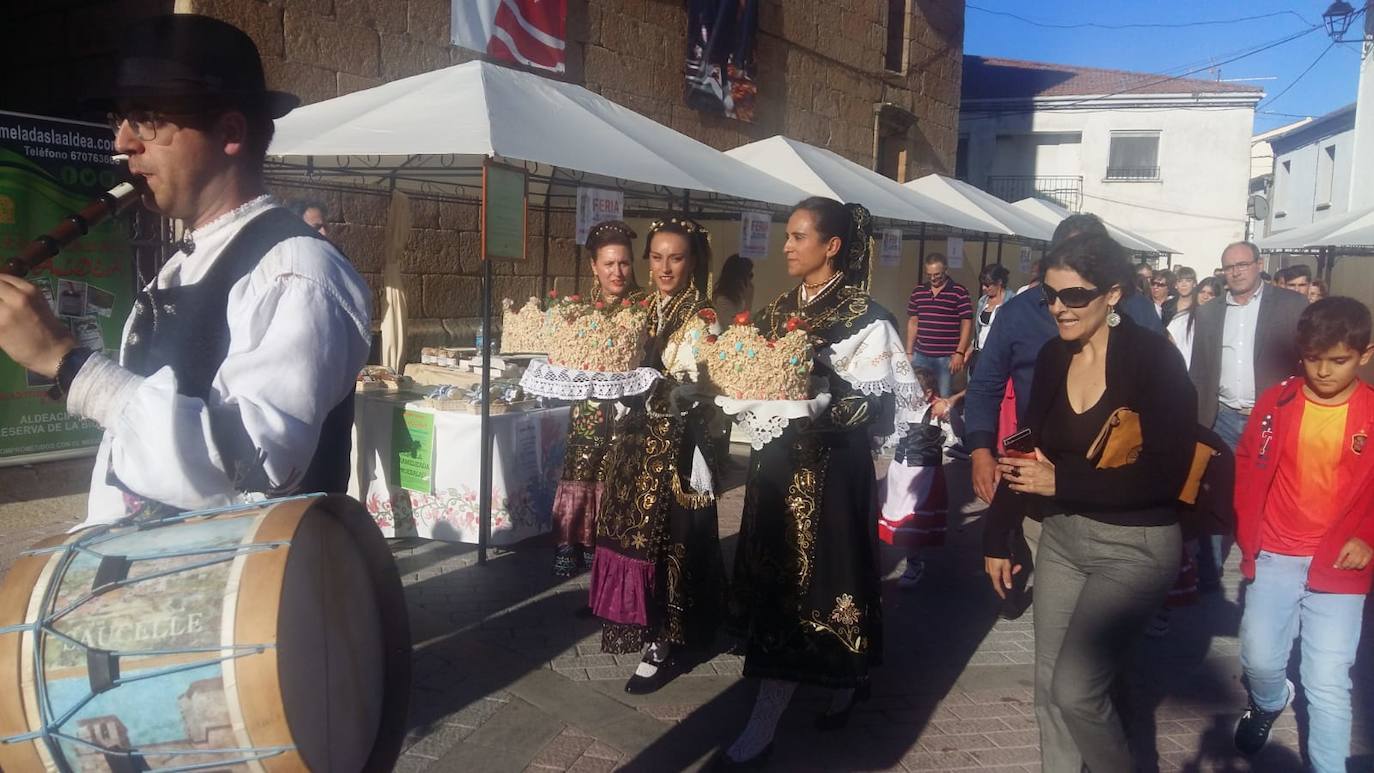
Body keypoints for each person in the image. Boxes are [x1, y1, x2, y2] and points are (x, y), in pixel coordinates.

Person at [0, 15, 369, 525]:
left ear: (231, 132)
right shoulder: (187, 260)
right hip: (160, 582)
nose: (123, 142)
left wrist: (69, 363)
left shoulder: (298, 270)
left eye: (148, 118)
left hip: (240, 597)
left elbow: (253, 465)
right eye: (119, 119)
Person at [982, 233, 1198, 773]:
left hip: (1135, 547)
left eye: (1075, 296)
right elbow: (1028, 445)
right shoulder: (1054, 356)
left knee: (1077, 690)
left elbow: (1168, 473)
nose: (1059, 307)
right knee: (1049, 693)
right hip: (1062, 540)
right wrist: (998, 531)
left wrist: (1066, 482)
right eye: (1050, 296)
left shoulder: (1154, 361)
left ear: (1113, 294)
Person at [722, 197, 915, 767]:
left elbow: (879, 409)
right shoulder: (777, 308)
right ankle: (789, 691)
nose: (786, 245)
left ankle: (820, 686)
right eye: (788, 235)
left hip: (830, 474)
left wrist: (821, 395)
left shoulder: (865, 317)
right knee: (777, 580)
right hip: (776, 469)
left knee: (827, 578)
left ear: (831, 246)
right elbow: (749, 374)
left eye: (799, 236)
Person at [1232, 297, 1374, 773]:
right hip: (1275, 553)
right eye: (1314, 358)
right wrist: (1246, 532)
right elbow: (1249, 465)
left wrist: (1369, 537)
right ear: (1301, 353)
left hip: (1341, 565)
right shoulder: (1278, 401)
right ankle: (1271, 700)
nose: (1325, 371)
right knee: (1260, 661)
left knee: (1329, 680)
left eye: (1340, 360)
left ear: (1365, 355)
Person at [588, 216, 725, 695]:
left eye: (676, 257)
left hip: (675, 447)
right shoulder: (639, 305)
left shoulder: (703, 318)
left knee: (669, 541)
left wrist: (651, 385)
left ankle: (663, 640)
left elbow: (699, 387)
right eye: (657, 257)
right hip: (633, 442)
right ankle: (643, 624)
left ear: (691, 262)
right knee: (629, 535)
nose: (665, 267)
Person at [965, 213, 1165, 507]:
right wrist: (980, 451)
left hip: (1117, 480)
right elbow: (984, 386)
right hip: (1038, 470)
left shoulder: (1137, 311)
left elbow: (1165, 404)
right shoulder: (1018, 314)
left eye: (1088, 258)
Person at [1188, 242, 1306, 589]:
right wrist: (1195, 423)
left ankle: (1267, 567)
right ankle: (1209, 571)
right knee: (1215, 496)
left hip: (1272, 417)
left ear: (1258, 265)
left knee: (1269, 496)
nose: (1235, 272)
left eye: (1242, 265)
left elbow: (1304, 361)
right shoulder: (1208, 313)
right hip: (1222, 415)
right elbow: (1199, 371)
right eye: (1228, 267)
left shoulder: (1291, 305)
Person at [550, 220, 642, 577]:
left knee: (614, 473)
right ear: (594, 267)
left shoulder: (643, 307)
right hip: (586, 410)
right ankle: (571, 540)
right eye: (609, 264)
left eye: (624, 263)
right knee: (579, 468)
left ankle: (600, 542)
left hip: (627, 413)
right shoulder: (579, 311)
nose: (617, 272)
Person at [879, 367, 950, 589]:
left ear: (929, 393)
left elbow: (954, 438)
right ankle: (908, 558)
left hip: (924, 476)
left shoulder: (936, 411)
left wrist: (948, 412)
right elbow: (890, 435)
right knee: (900, 517)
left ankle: (914, 562)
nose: (909, 396)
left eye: (915, 391)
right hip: (901, 473)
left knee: (915, 519)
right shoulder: (902, 408)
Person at [905, 253, 972, 397]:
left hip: (946, 357)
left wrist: (960, 352)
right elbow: (913, 322)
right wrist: (909, 352)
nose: (933, 278)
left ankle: (943, 420)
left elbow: (967, 323)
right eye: (929, 275)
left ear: (946, 271)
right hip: (921, 354)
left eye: (937, 275)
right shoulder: (918, 292)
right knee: (917, 395)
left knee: (944, 397)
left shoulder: (959, 292)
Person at [1166, 276, 1223, 370]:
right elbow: (1169, 349)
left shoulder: (1222, 322)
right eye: (1202, 292)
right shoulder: (1181, 318)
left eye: (1211, 294)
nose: (1205, 297)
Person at [971, 263, 1011, 375]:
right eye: (982, 285)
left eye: (987, 285)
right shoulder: (982, 301)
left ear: (999, 282)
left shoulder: (1012, 301)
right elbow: (979, 331)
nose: (984, 288)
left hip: (997, 356)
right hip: (979, 354)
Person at [711, 253, 754, 323]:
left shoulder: (740, 299)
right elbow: (735, 328)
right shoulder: (723, 301)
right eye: (749, 275)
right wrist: (748, 301)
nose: (750, 280)